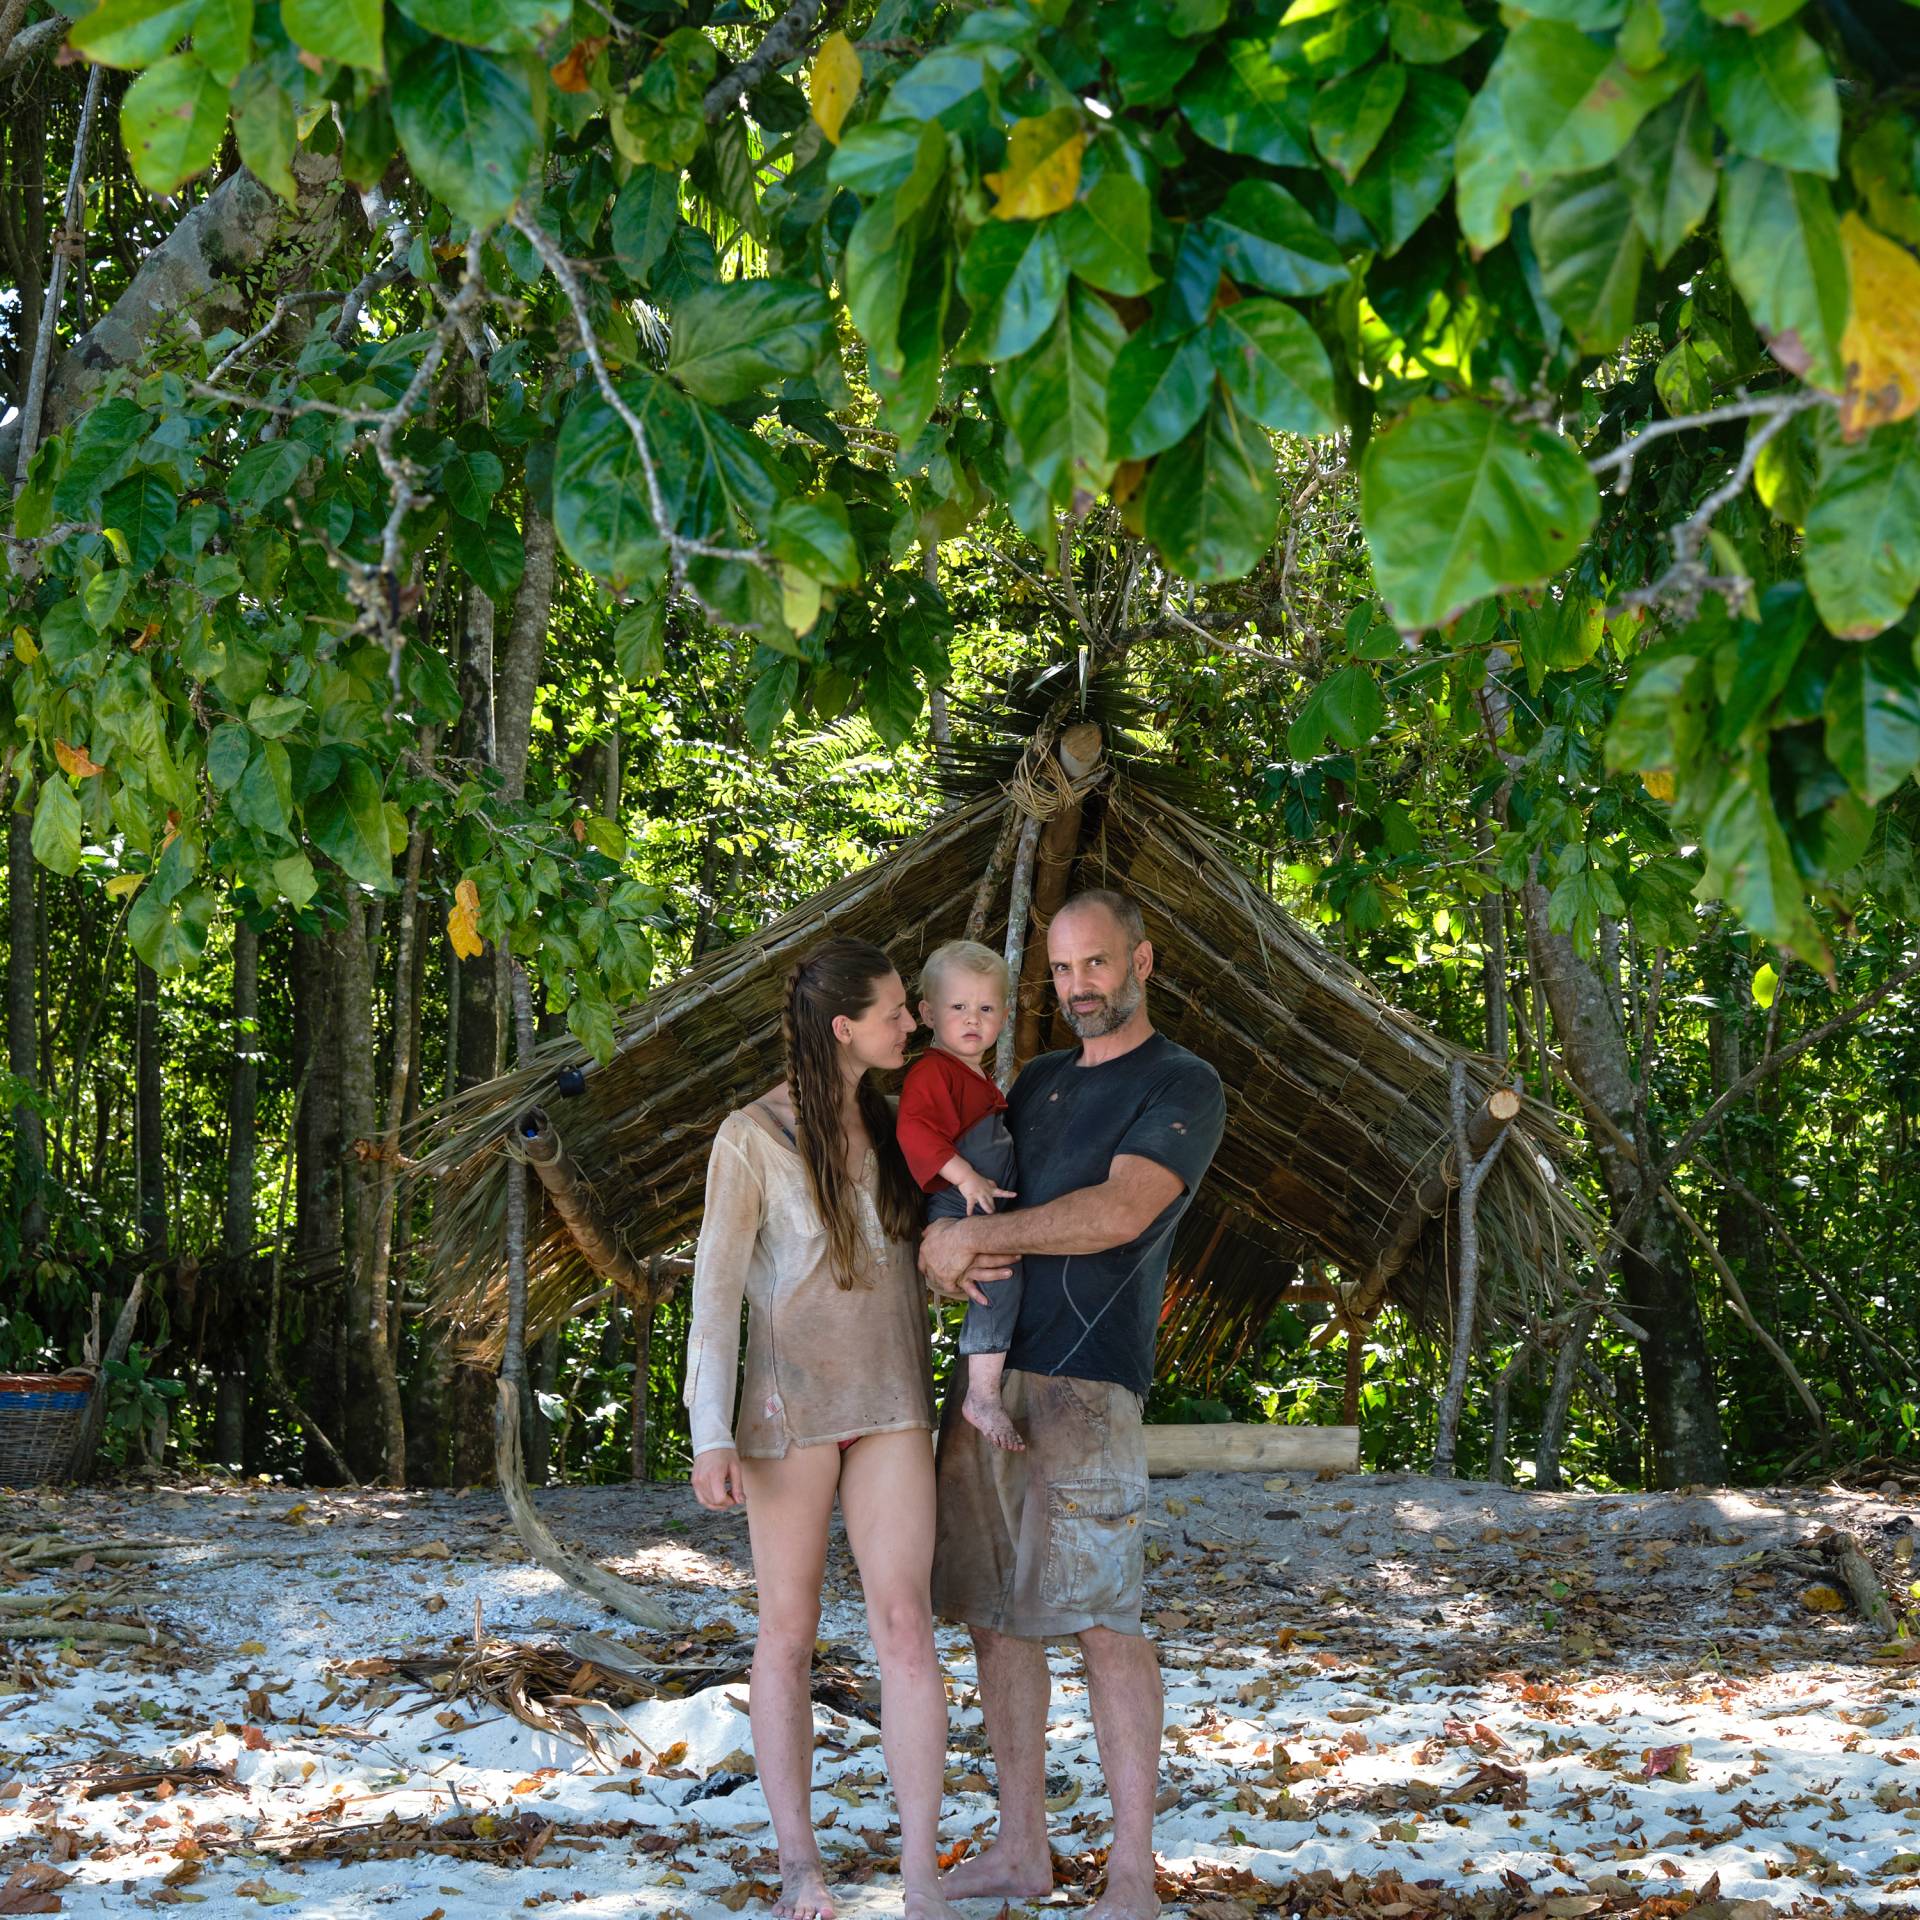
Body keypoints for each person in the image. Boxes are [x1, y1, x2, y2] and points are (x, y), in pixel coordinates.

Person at [917, 890, 1226, 1920]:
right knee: (995, 1622)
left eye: (1096, 965)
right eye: (1060, 972)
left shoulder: (1181, 1081)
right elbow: (960, 1204)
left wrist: (982, 1244)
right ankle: (1023, 1850)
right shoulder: (1036, 1082)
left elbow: (1120, 1212)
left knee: (1104, 1620)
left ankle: (1132, 1874)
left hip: (1089, 1392)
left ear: (1143, 959)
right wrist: (939, 1248)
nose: (1078, 987)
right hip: (989, 1386)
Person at [682, 939, 962, 1920]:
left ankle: (923, 1872)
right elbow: (715, 1296)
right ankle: (801, 1863)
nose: (911, 1024)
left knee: (904, 1627)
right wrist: (707, 1431)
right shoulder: (748, 1136)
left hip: (889, 1402)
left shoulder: (901, 1125)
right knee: (789, 1634)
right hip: (784, 1412)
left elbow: (929, 1249)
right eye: (894, 1012)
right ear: (844, 1028)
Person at [895, 939, 1025, 1452]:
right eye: (958, 1007)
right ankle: (983, 1394)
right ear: (927, 1013)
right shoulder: (933, 1071)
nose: (973, 1018)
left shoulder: (976, 1074)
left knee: (1009, 1275)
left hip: (980, 1198)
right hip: (959, 1201)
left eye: (986, 1008)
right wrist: (966, 1176)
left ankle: (990, 1384)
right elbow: (916, 1130)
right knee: (1001, 1277)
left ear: (1004, 1015)